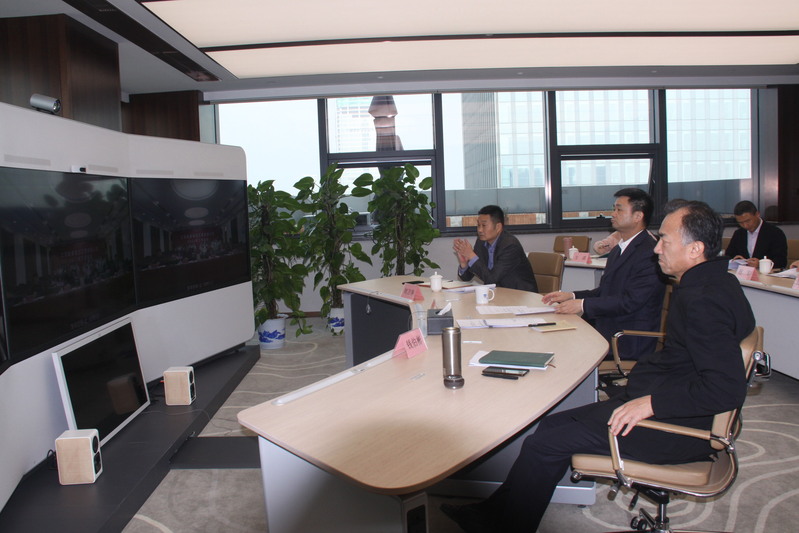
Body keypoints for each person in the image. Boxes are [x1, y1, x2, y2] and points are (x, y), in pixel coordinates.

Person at [442, 199, 756, 533]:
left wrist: (650, 404)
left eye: (665, 240)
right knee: (550, 425)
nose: (656, 249)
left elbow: (726, 388)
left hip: (676, 427)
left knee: (543, 443)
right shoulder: (715, 282)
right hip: (666, 401)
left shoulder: (703, 300)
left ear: (695, 249)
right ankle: (493, 515)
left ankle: (505, 526)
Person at [542, 188, 666, 360]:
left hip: (627, 338)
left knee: (565, 350)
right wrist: (571, 296)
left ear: (638, 216)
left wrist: (583, 305)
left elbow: (630, 301)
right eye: (614, 209)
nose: (613, 214)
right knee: (555, 338)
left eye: (619, 210)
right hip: (608, 327)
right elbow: (605, 291)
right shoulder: (618, 250)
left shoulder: (649, 252)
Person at [453, 205, 538, 292]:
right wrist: (464, 263)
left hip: (521, 295)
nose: (480, 230)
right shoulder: (481, 242)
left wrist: (471, 255)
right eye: (478, 225)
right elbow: (467, 277)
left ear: (498, 227)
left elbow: (492, 280)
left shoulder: (510, 246)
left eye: (484, 225)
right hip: (498, 294)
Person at [725, 200, 788, 270]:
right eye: (741, 223)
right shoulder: (739, 233)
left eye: (748, 221)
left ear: (757, 214)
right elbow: (728, 255)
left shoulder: (775, 233)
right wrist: (735, 259)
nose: (745, 225)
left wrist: (761, 264)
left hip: (765, 274)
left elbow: (781, 261)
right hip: (743, 273)